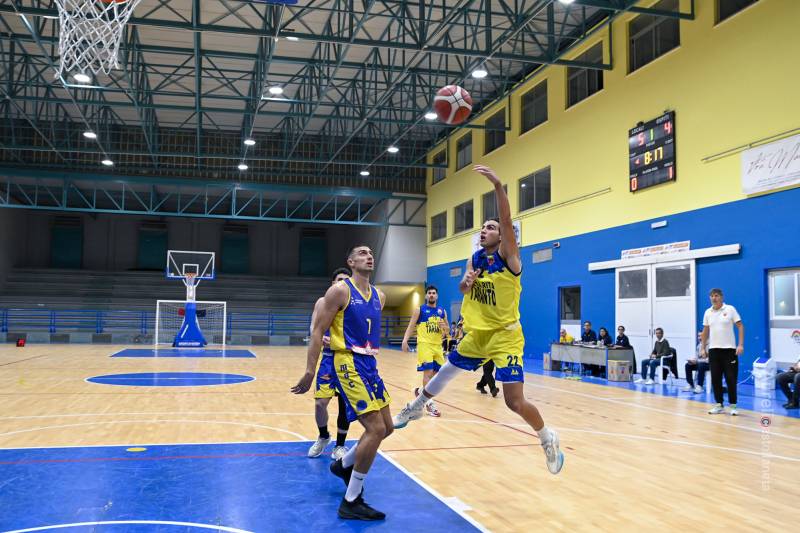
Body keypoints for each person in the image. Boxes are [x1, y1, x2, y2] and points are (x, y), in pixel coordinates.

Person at [392, 165, 564, 475]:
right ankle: (415, 408)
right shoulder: (475, 259)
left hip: (506, 335)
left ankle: (546, 437)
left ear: (502, 236)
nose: (484, 231)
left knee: (514, 401)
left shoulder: (510, 258)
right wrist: (465, 283)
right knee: (445, 371)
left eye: (490, 227)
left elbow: (508, 221)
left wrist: (498, 185)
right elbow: (461, 289)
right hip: (478, 333)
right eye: (483, 228)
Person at [291, 245, 391, 521]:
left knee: (388, 428)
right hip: (346, 360)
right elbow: (318, 330)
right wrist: (310, 370)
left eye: (371, 252)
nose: (368, 255)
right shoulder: (340, 291)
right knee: (375, 428)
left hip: (370, 363)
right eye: (361, 253)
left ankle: (343, 465)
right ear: (350, 261)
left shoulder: (379, 296)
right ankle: (352, 500)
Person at [307, 267, 353, 460]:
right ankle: (324, 435)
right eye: (339, 280)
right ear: (332, 283)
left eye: (345, 280)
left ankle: (340, 446)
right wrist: (319, 337)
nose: (342, 283)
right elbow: (313, 327)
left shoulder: (353, 304)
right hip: (327, 359)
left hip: (347, 358)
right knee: (320, 404)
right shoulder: (322, 302)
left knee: (344, 405)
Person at [401, 285, 448, 417]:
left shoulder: (442, 311)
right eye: (429, 293)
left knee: (436, 375)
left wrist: (445, 328)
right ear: (426, 296)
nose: (432, 295)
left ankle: (421, 391)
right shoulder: (420, 310)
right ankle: (429, 403)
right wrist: (405, 340)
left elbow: (448, 332)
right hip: (425, 345)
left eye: (434, 293)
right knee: (427, 374)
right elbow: (411, 326)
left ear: (437, 296)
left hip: (438, 346)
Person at [701, 288, 744, 416]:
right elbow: (705, 331)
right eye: (712, 296)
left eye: (716, 296)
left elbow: (740, 326)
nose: (714, 298)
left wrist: (740, 345)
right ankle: (719, 404)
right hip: (714, 351)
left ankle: (733, 405)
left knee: (731, 378)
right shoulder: (708, 312)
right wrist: (703, 347)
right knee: (716, 379)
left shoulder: (730, 309)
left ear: (721, 297)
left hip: (729, 350)